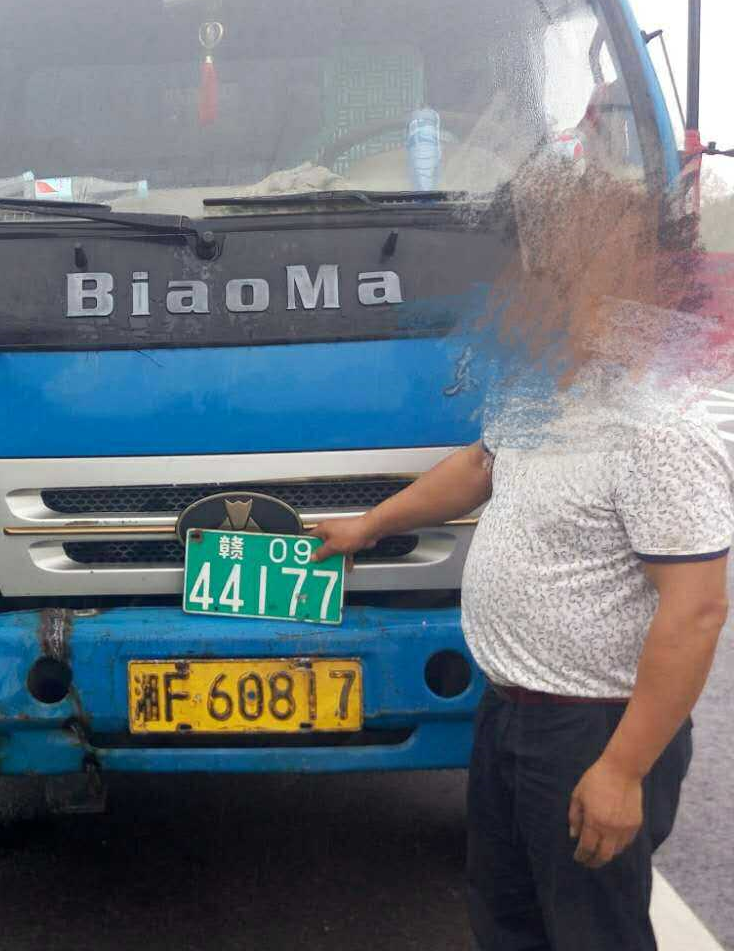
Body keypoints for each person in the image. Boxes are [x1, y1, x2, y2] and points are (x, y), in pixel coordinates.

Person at [311, 166, 733, 950]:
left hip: (591, 730)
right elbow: (479, 466)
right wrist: (367, 527)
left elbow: (697, 607)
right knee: (507, 919)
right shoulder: (543, 383)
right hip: (511, 713)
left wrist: (621, 771)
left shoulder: (660, 427)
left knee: (589, 932)